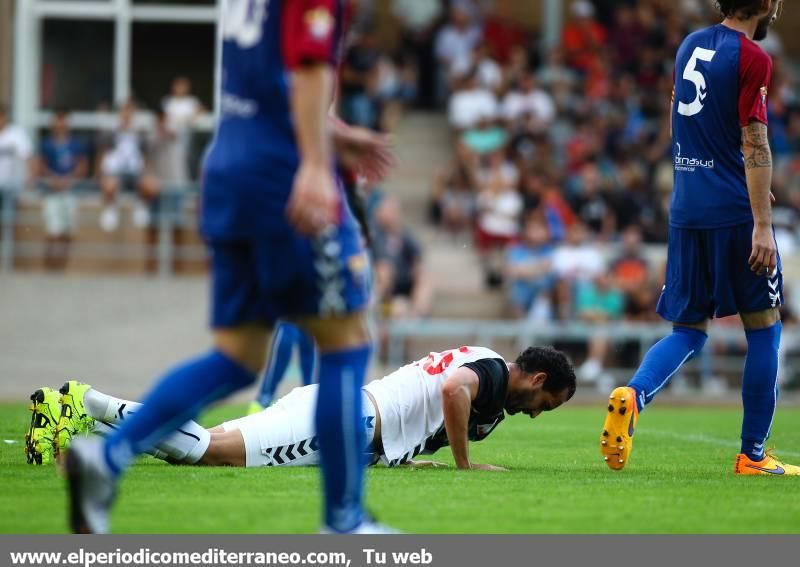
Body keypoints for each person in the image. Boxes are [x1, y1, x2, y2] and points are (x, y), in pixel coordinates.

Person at [66, 0, 394, 535]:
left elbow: (271, 82)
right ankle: (344, 521)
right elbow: (308, 69)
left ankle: (109, 458)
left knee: (238, 357)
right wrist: (315, 164)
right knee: (346, 340)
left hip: (230, 171)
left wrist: (334, 134)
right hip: (283, 175)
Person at [601, 0, 800, 476]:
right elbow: (755, 142)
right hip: (733, 213)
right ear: (766, 4)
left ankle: (633, 394)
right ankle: (753, 454)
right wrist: (761, 224)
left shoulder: (691, 44)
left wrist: (710, 176)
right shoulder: (754, 58)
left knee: (688, 329)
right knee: (765, 327)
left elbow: (682, 121)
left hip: (687, 206)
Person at [34, 345, 576, 473]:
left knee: (198, 440)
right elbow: (452, 392)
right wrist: (464, 465)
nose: (536, 414)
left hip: (347, 414)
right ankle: (86, 400)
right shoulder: (495, 373)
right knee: (201, 452)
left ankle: (84, 424)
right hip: (346, 421)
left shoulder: (487, 361)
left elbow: (425, 402)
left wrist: (407, 456)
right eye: (545, 404)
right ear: (539, 378)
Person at [37, 110, 88, 270]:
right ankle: (49, 266)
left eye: (62, 121)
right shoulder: (46, 144)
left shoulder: (76, 144)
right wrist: (53, 179)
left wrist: (68, 180)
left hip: (71, 192)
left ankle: (61, 266)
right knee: (52, 231)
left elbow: (82, 166)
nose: (60, 125)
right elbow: (40, 165)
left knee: (68, 231)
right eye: (57, 121)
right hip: (51, 192)